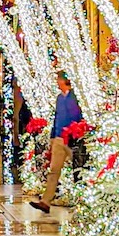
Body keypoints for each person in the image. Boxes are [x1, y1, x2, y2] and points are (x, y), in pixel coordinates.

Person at [29, 73, 82, 214]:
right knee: (54, 170)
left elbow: (77, 116)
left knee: (78, 169)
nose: (57, 82)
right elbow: (57, 117)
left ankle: (81, 201)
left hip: (71, 138)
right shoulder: (59, 98)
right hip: (59, 138)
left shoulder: (74, 97)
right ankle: (45, 202)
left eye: (58, 79)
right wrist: (53, 136)